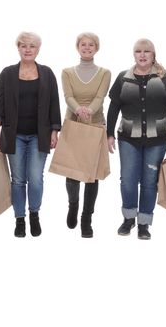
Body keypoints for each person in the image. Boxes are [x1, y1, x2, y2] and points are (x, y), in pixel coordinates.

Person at [107, 38, 166, 240]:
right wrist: (109, 134)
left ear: (153, 54)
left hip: (157, 140)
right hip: (128, 139)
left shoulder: (164, 77)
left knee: (149, 182)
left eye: (146, 51)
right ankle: (129, 218)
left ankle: (144, 224)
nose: (142, 54)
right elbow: (114, 107)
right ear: (134, 54)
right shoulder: (124, 78)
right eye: (138, 51)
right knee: (128, 181)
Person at [0, 32, 61, 238]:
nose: (28, 49)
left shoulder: (47, 73)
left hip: (40, 135)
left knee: (36, 178)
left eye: (32, 46)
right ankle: (19, 219)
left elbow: (54, 103)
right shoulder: (7, 73)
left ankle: (34, 214)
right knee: (18, 179)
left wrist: (55, 131)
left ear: (38, 49)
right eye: (24, 46)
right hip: (14, 135)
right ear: (18, 48)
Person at [61, 32, 111, 238]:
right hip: (73, 125)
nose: (87, 47)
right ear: (78, 47)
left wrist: (89, 110)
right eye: (84, 44)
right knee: (72, 172)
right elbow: (68, 96)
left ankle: (86, 219)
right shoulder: (67, 72)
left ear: (96, 48)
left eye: (91, 45)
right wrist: (79, 110)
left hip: (95, 125)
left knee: (91, 177)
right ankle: (73, 205)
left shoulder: (105, 73)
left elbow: (100, 96)